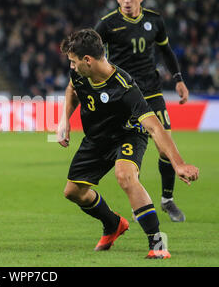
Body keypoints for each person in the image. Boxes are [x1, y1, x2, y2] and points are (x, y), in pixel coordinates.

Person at [57, 28, 198, 259]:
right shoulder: (80, 73)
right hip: (97, 138)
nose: (71, 67)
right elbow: (72, 89)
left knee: (125, 175)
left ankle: (157, 244)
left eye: (73, 62)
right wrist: (65, 119)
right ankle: (113, 224)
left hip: (128, 135)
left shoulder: (124, 87)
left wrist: (178, 164)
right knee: (73, 192)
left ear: (88, 60)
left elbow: (154, 126)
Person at [94, 0, 190, 222]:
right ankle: (140, 203)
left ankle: (167, 200)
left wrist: (178, 79)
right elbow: (91, 56)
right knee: (126, 151)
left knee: (164, 148)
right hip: (122, 94)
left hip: (152, 92)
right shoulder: (106, 25)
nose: (127, 0)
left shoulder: (154, 20)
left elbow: (166, 51)